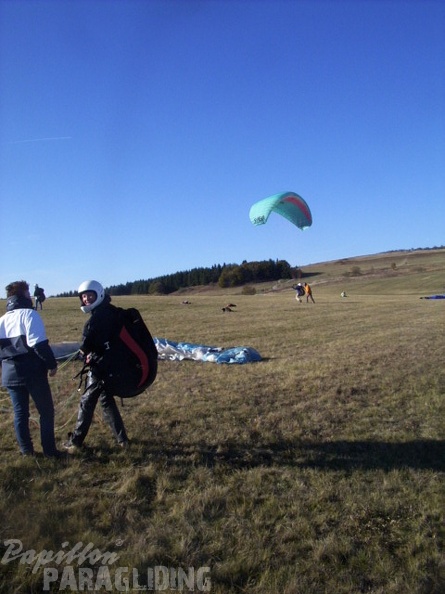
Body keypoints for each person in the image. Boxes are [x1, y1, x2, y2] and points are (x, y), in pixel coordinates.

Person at [63, 280, 129, 452]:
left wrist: (84, 353)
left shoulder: (97, 318)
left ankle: (76, 442)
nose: (86, 299)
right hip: (113, 363)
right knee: (106, 401)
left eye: (90, 296)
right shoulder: (109, 311)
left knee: (87, 402)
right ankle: (122, 440)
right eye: (84, 296)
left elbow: (87, 345)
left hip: (101, 367)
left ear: (98, 294)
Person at [0, 280, 61, 457]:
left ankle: (26, 451)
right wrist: (51, 364)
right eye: (28, 294)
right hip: (32, 372)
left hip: (9, 373)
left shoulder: (2, 320)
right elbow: (39, 345)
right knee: (46, 412)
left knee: (20, 413)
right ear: (24, 296)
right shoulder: (29, 315)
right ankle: (50, 451)